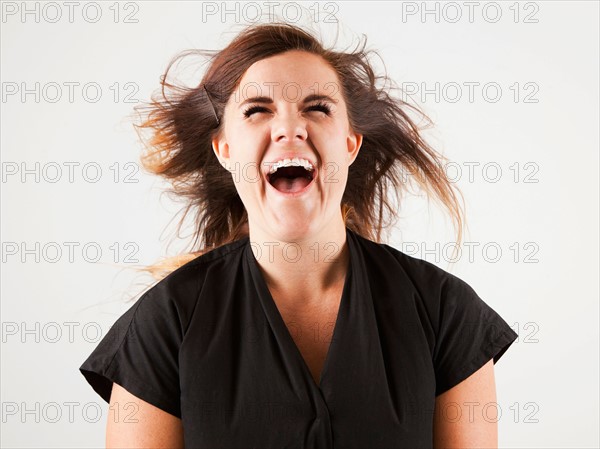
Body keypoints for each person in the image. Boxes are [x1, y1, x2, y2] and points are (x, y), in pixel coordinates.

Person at [79, 22, 518, 448]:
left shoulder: (446, 312)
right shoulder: (161, 325)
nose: (290, 128)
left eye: (317, 107)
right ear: (225, 148)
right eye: (257, 110)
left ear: (350, 143)